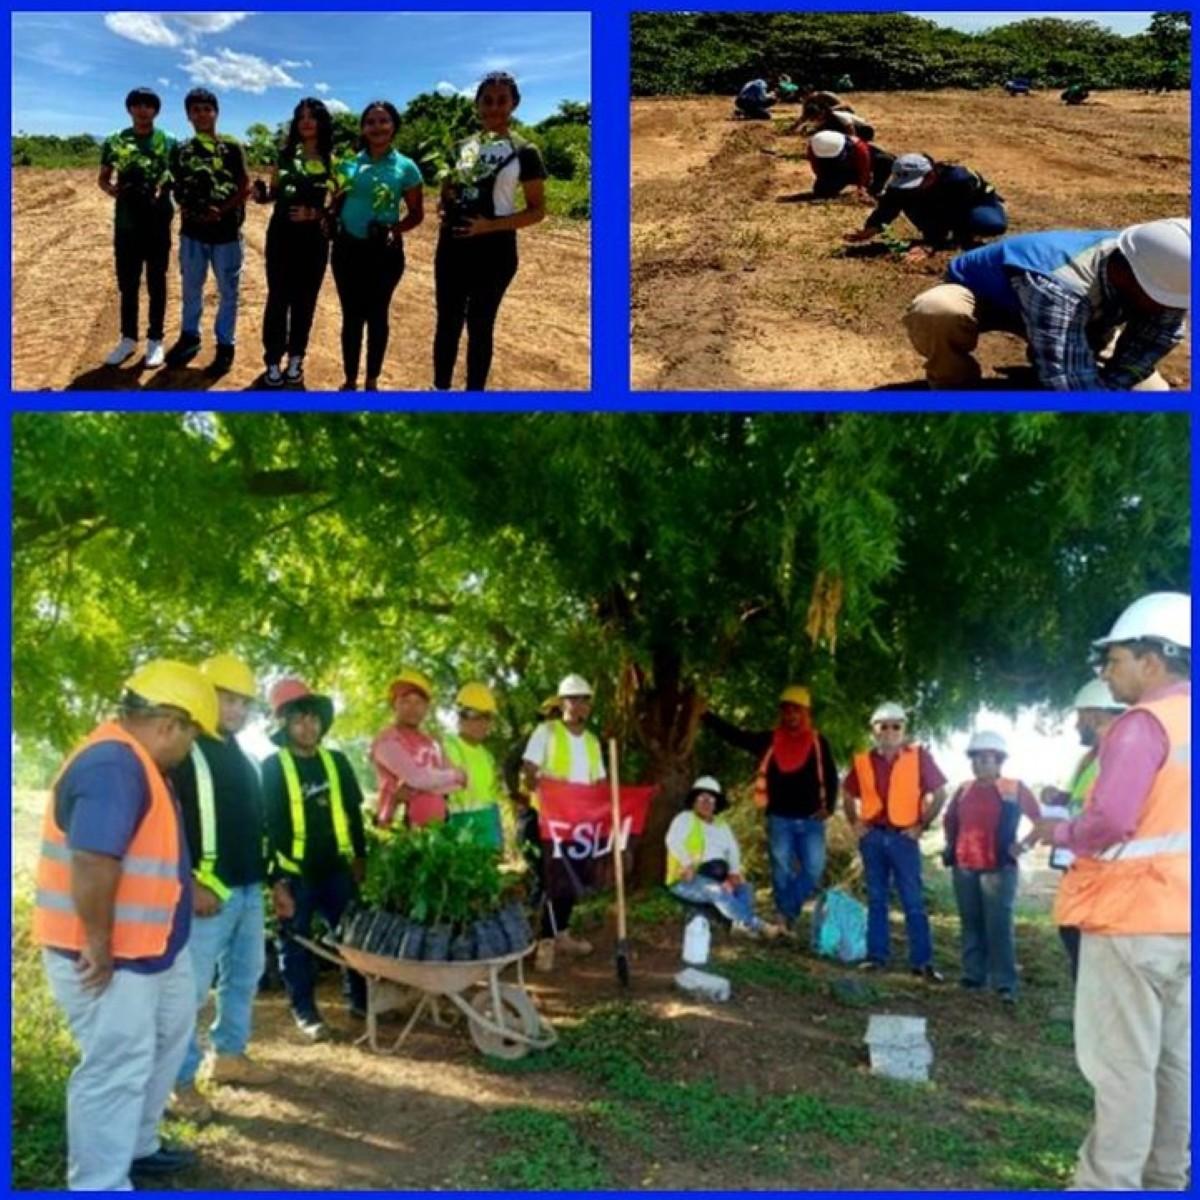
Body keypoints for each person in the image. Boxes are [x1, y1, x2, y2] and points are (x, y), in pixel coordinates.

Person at [33, 660, 218, 1190]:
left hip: (153, 949)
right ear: (169, 724)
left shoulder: (139, 764)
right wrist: (99, 939)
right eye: (192, 737)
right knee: (115, 1067)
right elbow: (93, 858)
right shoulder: (114, 764)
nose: (189, 750)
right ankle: (98, 1182)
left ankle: (137, 1146)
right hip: (107, 956)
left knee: (161, 1043)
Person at [1031, 592, 1190, 1190]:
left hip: (1129, 918)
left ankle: (1107, 1184)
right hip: (1181, 921)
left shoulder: (1141, 726)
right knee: (1175, 1064)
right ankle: (1166, 1179)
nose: (1106, 672)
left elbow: (1112, 821)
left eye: (1115, 658)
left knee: (1122, 1066)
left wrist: (1063, 830)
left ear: (1154, 658)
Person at [904, 217, 1190, 390]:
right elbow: (1069, 378)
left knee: (1149, 395)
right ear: (1130, 278)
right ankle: (955, 390)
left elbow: (1156, 338)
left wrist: (1112, 388)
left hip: (1077, 313)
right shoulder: (1062, 279)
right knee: (937, 309)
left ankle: (1050, 364)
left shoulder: (1163, 265)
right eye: (1164, 300)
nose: (1172, 309)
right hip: (991, 299)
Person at [168, 655, 271, 1119]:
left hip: (249, 889)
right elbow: (169, 825)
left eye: (244, 702)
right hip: (208, 894)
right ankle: (178, 1081)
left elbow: (254, 825)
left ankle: (228, 1056)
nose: (237, 710)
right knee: (188, 991)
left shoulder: (245, 759)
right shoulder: (183, 751)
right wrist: (190, 882)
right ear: (206, 697)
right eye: (228, 699)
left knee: (244, 978)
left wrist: (273, 884)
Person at [262, 678, 367, 1041]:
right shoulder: (272, 768)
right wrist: (275, 881)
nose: (307, 727)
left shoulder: (336, 762)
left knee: (352, 939)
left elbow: (354, 814)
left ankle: (360, 1001)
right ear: (285, 726)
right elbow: (268, 829)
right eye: (298, 720)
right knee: (295, 945)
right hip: (296, 876)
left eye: (312, 719)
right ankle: (306, 1012)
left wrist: (360, 857)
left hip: (337, 870)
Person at [433, 71, 547, 391]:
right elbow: (446, 194)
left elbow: (537, 211)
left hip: (495, 251)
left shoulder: (525, 151)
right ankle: (439, 389)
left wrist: (489, 226)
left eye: (502, 100)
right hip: (453, 247)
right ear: (477, 104)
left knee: (481, 326)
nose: (494, 107)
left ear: (514, 104)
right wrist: (445, 207)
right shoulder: (461, 148)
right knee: (447, 324)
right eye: (487, 100)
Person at [702, 685, 837, 930]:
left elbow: (831, 775)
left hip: (811, 819)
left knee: (814, 869)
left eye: (796, 710)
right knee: (781, 870)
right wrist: (706, 715)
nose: (790, 715)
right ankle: (784, 919)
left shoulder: (818, 742)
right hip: (780, 819)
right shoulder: (770, 740)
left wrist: (830, 807)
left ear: (806, 713)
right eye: (786, 710)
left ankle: (785, 910)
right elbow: (738, 737)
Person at [842, 701, 948, 980]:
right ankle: (876, 957)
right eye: (883, 726)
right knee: (876, 900)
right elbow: (847, 793)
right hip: (873, 837)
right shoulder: (863, 761)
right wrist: (855, 822)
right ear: (874, 730)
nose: (889, 731)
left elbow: (939, 794)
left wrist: (921, 825)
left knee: (913, 901)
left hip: (904, 839)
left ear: (903, 729)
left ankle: (922, 963)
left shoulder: (918, 756)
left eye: (895, 726)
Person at [329, 100, 424, 391]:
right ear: (363, 128)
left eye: (383, 121)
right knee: (351, 317)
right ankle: (349, 379)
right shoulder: (348, 164)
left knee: (378, 315)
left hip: (384, 253)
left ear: (394, 126)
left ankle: (372, 380)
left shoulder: (406, 167)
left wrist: (393, 229)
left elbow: (417, 213)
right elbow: (335, 203)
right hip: (347, 250)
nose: (377, 127)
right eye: (370, 121)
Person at [941, 731, 1040, 1003]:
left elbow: (1042, 820)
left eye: (987, 759)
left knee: (998, 925)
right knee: (971, 922)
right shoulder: (963, 790)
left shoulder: (1014, 788)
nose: (981, 764)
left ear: (999, 762)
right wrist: (952, 846)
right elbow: (949, 821)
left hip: (999, 868)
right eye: (976, 759)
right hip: (964, 867)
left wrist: (1024, 845)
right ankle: (974, 976)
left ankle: (1005, 983)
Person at [1041, 678, 1126, 981]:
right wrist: (1060, 798)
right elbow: (1086, 801)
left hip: (1103, 869)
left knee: (1088, 946)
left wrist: (1062, 832)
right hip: (1079, 864)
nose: (1077, 726)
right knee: (1072, 934)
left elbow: (1112, 813)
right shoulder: (1090, 758)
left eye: (1079, 717)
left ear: (1093, 715)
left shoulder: (1119, 755)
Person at [163, 88, 250, 377]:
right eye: (196, 109)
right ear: (188, 115)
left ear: (216, 112)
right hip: (192, 233)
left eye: (206, 109)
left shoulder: (231, 147)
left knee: (228, 292)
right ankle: (190, 337)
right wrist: (184, 205)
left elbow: (244, 185)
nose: (202, 114)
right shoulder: (182, 150)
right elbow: (174, 183)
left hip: (226, 234)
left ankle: (225, 346)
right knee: (191, 289)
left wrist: (222, 210)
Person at [521, 672, 605, 969]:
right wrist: (547, 781)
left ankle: (562, 934)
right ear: (562, 702)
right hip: (547, 820)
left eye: (584, 699)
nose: (579, 705)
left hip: (578, 824)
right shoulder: (547, 732)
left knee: (570, 880)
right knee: (548, 880)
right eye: (573, 699)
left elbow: (600, 784)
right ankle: (542, 942)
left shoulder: (594, 742)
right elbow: (529, 769)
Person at [254, 98, 333, 388]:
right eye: (301, 116)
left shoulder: (332, 159)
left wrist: (314, 213)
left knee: (305, 301)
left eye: (312, 116)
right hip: (282, 235)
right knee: (277, 298)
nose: (306, 121)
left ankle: (296, 358)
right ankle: (273, 360)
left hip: (314, 239)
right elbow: (275, 192)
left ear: (322, 122)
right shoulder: (284, 155)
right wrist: (262, 196)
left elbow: (338, 202)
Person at [98, 87, 176, 369]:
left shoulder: (169, 141)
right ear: (129, 109)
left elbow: (176, 177)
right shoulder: (116, 141)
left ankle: (155, 339)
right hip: (127, 223)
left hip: (157, 221)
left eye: (148, 105)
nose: (143, 110)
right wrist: (114, 190)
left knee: (157, 280)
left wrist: (161, 187)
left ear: (156, 110)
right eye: (137, 105)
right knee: (128, 282)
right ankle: (128, 338)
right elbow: (103, 178)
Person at [665, 776, 784, 938]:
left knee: (745, 888)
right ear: (694, 800)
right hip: (689, 879)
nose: (706, 802)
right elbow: (672, 840)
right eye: (702, 798)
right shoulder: (685, 818)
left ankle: (739, 925)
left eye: (711, 799)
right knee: (718, 891)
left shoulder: (722, 825)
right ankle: (758, 925)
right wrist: (687, 864)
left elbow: (733, 850)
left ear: (716, 804)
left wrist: (734, 872)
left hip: (719, 877)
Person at [845, 153, 1006, 260]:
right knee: (911, 201)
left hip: (974, 201)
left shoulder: (959, 180)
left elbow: (956, 213)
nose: (910, 187)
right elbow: (888, 206)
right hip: (938, 202)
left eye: (916, 183)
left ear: (931, 175)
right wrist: (872, 227)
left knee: (989, 224)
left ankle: (986, 215)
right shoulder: (900, 183)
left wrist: (932, 244)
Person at [369, 668, 465, 828]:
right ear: (394, 705)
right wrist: (454, 775)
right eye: (405, 701)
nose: (412, 708)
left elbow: (454, 785)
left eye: (418, 702)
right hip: (399, 826)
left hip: (437, 827)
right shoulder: (387, 740)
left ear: (426, 707)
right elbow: (418, 778)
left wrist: (441, 753)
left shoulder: (429, 741)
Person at [441, 682, 506, 849]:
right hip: (462, 828)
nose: (483, 724)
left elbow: (491, 798)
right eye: (476, 717)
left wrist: (497, 835)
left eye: (487, 717)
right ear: (461, 717)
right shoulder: (449, 746)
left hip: (488, 827)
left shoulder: (486, 755)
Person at [807, 130, 893, 200]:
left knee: (886, 161)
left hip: (857, 167)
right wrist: (823, 179)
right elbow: (816, 167)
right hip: (838, 170)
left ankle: (876, 189)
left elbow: (864, 166)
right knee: (821, 193)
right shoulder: (813, 146)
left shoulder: (858, 146)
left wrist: (861, 186)